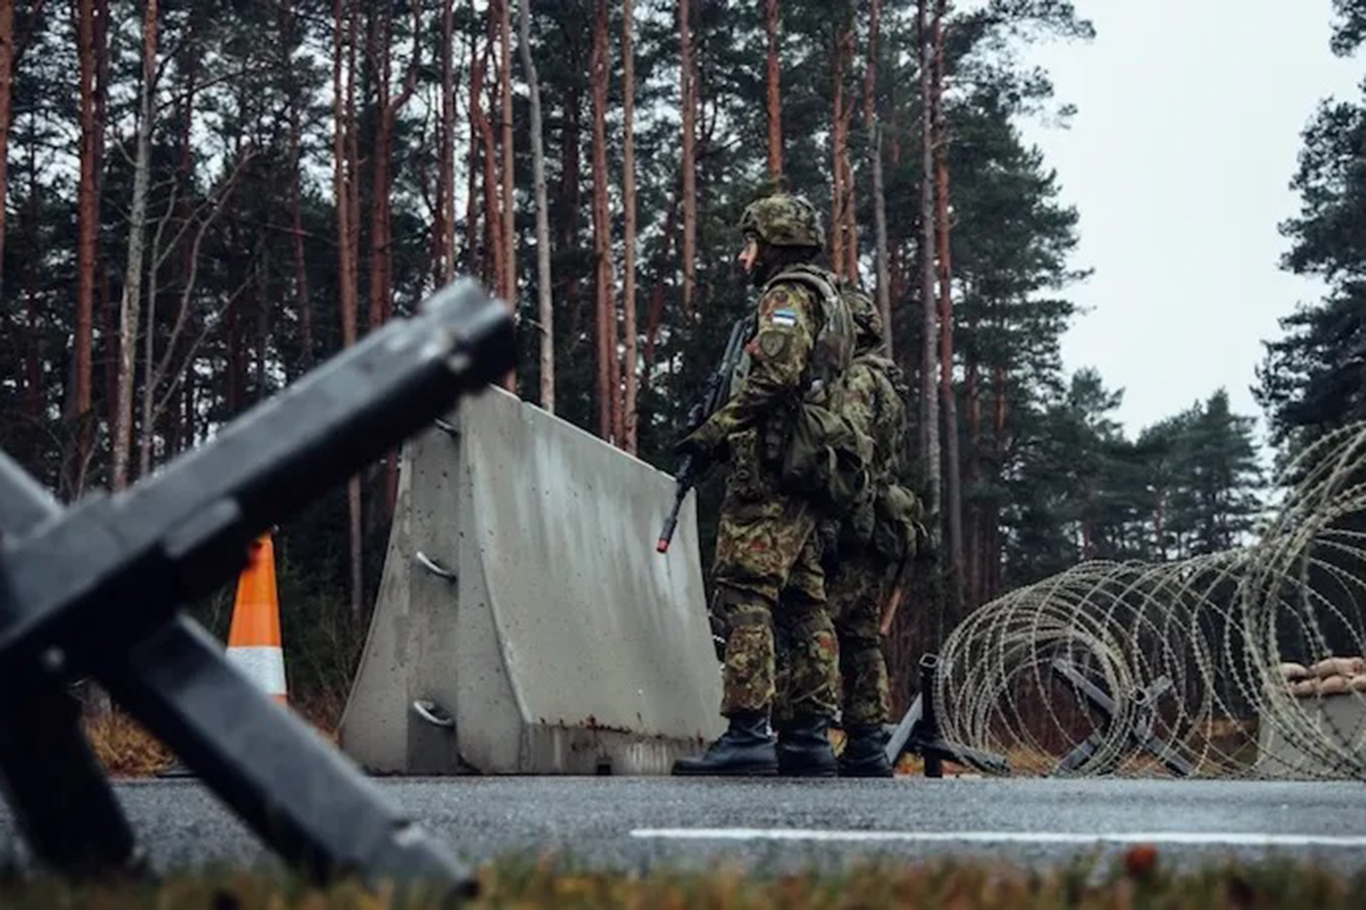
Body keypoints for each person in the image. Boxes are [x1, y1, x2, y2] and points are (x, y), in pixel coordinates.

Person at [671, 192, 853, 777]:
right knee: (803, 603)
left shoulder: (786, 296)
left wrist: (714, 432)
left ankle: (748, 731)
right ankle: (807, 736)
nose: (744, 256)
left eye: (751, 243)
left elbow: (773, 376)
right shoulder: (827, 297)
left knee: (745, 592)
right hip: (802, 470)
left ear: (773, 244)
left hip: (771, 473)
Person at [819, 285, 912, 777]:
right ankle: (867, 741)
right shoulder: (890, 383)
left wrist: (830, 515)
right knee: (860, 636)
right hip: (880, 523)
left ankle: (808, 729)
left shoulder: (857, 379)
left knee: (819, 623)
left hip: (855, 521)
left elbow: (848, 450)